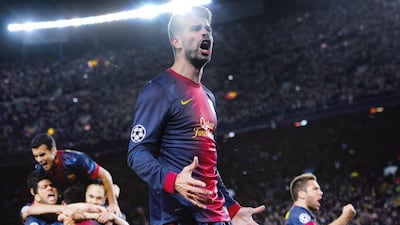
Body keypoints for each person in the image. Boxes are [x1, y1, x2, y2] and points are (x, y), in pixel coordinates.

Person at [127, 5, 265, 225]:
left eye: (207, 29)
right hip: (178, 218)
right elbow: (137, 153)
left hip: (216, 218)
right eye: (195, 29)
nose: (205, 33)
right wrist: (173, 181)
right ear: (177, 42)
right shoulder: (160, 90)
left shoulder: (208, 97)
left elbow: (208, 165)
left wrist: (232, 207)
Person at [30, 133, 121, 216]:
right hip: (70, 198)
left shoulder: (75, 160)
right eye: (36, 156)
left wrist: (113, 204)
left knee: (114, 192)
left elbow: (105, 175)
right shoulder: (41, 169)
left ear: (53, 151)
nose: (39, 160)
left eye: (42, 155)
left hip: (91, 195)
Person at [21, 170, 104, 225]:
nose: (50, 188)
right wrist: (63, 210)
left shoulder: (60, 202)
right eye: (44, 187)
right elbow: (27, 211)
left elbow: (87, 206)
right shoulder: (31, 219)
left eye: (52, 185)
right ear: (34, 193)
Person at [285, 173, 357, 225]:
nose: (321, 193)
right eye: (315, 189)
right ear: (302, 194)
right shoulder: (298, 215)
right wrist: (345, 217)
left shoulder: (297, 214)